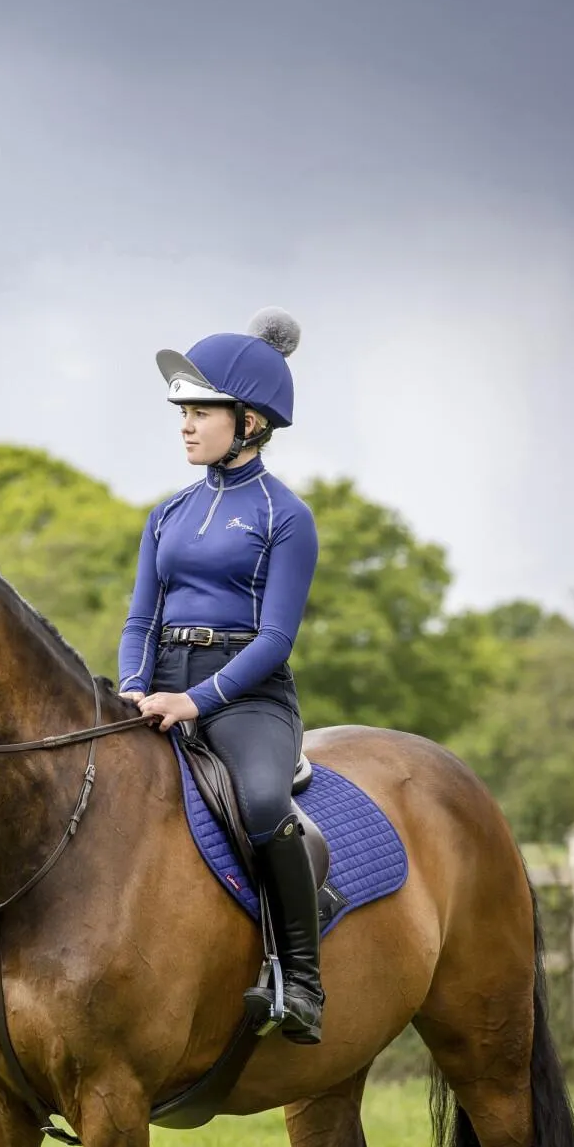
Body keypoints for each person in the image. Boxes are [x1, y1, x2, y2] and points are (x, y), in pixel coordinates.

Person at [117, 308, 324, 1043]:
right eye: (183, 410)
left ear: (252, 422)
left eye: (201, 410)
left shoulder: (286, 517)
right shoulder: (166, 513)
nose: (186, 424)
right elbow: (140, 619)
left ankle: (301, 978)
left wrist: (196, 699)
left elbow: (275, 639)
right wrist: (132, 687)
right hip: (162, 677)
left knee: (264, 803)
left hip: (246, 695)